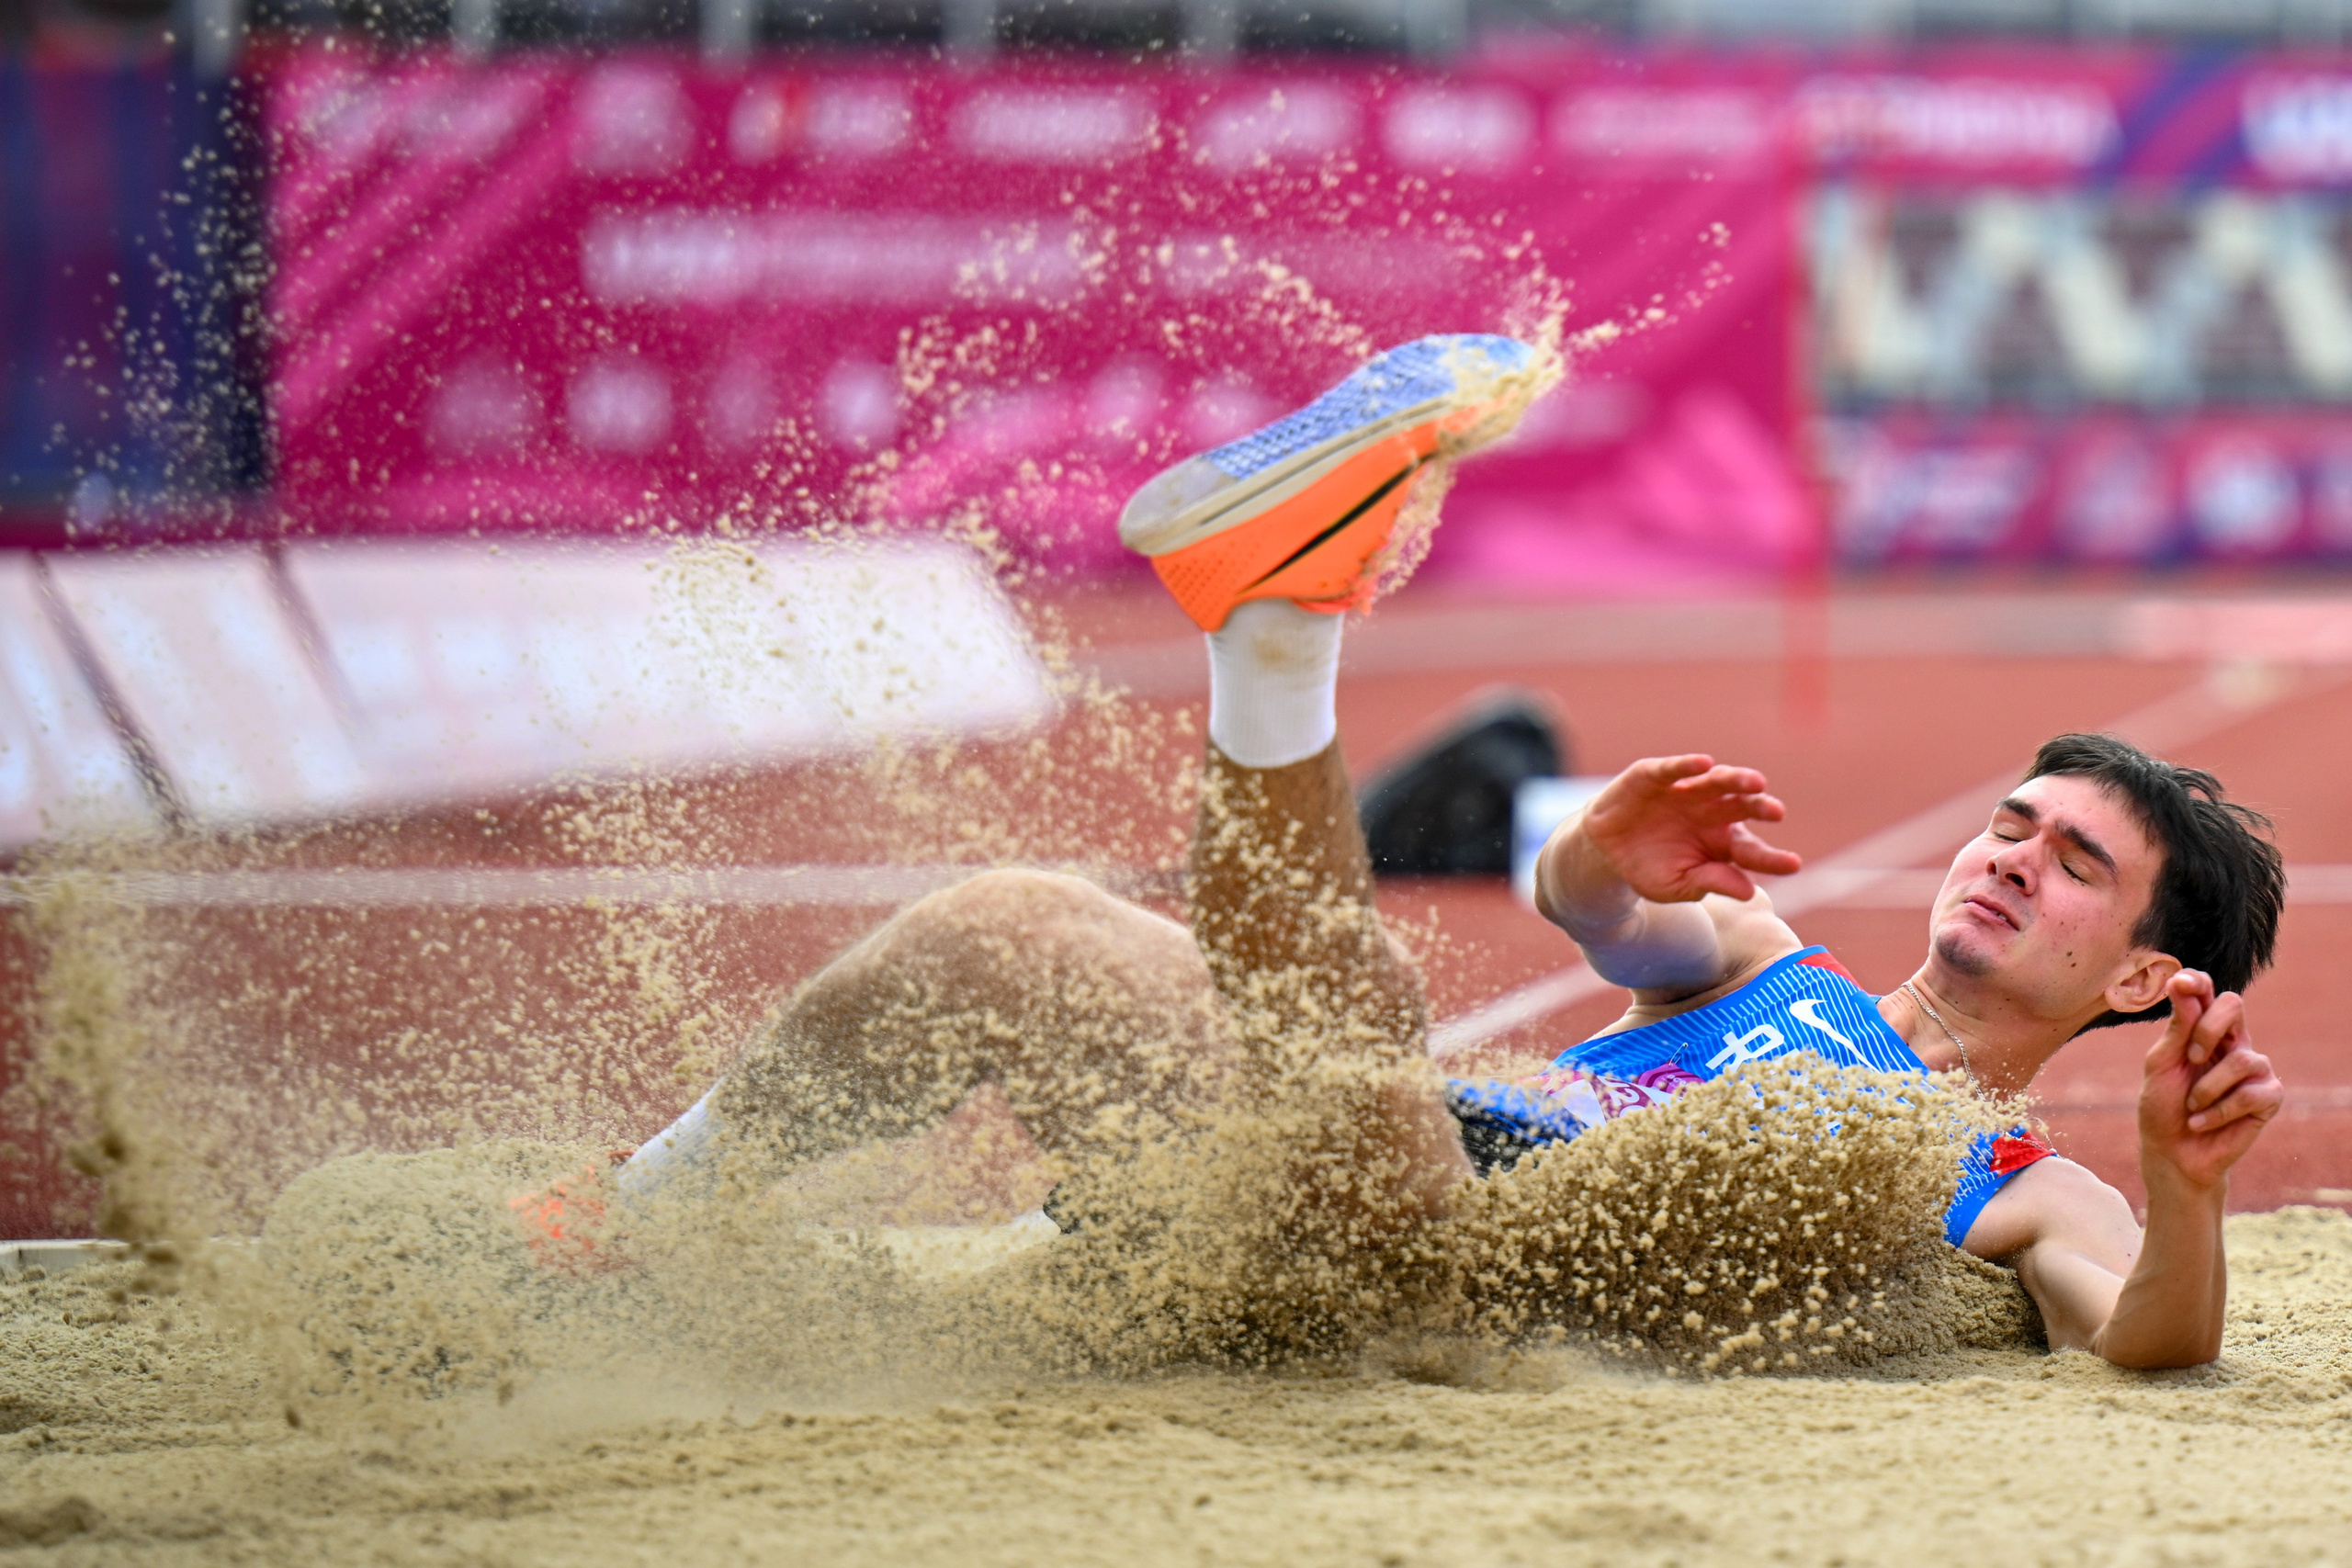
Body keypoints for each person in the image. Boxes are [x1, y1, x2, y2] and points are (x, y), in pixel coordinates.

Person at [529, 333, 2286, 1371]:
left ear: (2140, 973)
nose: (2006, 858)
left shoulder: (2013, 1172)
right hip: (1297, 1190)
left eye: (2071, 866)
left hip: (1429, 1272)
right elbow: (1604, 918)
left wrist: (2189, 1195)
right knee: (1011, 926)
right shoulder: (1771, 967)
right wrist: (1601, 848)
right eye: (2011, 822)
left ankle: (1277, 633)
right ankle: (623, 1220)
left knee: (1358, 1032)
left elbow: (2148, 1337)